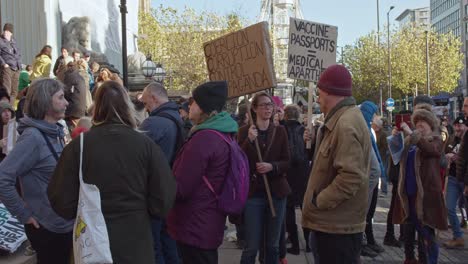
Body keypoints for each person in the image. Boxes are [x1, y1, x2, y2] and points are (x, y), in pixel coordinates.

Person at [48, 80, 176, 264]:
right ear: (127, 105)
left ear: (97, 107)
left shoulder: (79, 146)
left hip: (91, 242)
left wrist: (79, 211)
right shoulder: (145, 145)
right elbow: (164, 196)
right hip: (135, 241)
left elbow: (59, 198)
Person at [302, 64, 371, 264]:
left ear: (330, 92)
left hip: (335, 229)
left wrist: (319, 201)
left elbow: (351, 176)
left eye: (320, 92)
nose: (318, 98)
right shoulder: (343, 119)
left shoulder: (346, 123)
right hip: (334, 226)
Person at [0, 78, 73, 263]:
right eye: (61, 97)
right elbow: (3, 177)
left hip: (61, 224)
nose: (66, 103)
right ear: (46, 102)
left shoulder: (54, 131)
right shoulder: (33, 138)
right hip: (48, 228)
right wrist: (24, 214)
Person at [167, 81, 239, 264]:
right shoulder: (222, 133)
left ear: (203, 107)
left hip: (195, 224)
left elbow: (181, 187)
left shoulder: (204, 139)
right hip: (207, 220)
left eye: (193, 102)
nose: (189, 106)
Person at [239, 91, 290, 264]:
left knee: (272, 245)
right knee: (251, 246)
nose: (268, 108)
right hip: (254, 194)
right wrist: (249, 141)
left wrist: (272, 167)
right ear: (254, 108)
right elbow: (239, 161)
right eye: (263, 105)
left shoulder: (280, 131)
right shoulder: (245, 132)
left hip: (276, 193)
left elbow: (287, 162)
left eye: (270, 105)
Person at [393, 103, 448, 264]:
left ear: (430, 125)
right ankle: (410, 259)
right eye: (416, 124)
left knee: (426, 233)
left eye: (422, 124)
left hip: (426, 196)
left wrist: (412, 134)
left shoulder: (436, 140)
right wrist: (397, 137)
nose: (419, 127)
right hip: (409, 193)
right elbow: (397, 158)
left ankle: (428, 260)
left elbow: (431, 150)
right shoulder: (411, 141)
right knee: (409, 231)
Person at [139, 82, 182, 264]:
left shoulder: (154, 123)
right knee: (168, 241)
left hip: (154, 192)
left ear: (154, 98)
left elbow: (136, 155)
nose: (146, 106)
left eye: (146, 101)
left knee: (155, 244)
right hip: (169, 190)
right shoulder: (176, 118)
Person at [283, 104, 310, 255]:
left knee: (289, 211)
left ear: (285, 115)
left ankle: (294, 244)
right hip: (303, 174)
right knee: (305, 210)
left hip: (287, 173)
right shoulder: (305, 131)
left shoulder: (281, 130)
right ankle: (309, 243)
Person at [359, 101, 385, 257]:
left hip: (373, 180)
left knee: (370, 213)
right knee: (365, 212)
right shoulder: (365, 131)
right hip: (368, 178)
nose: (378, 117)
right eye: (376, 114)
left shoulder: (370, 130)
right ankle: (363, 242)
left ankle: (369, 240)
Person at [443, 116, 467, 248]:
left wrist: (456, 157)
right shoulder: (451, 138)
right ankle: (458, 236)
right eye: (456, 125)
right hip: (453, 177)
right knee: (450, 207)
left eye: (461, 125)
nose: (458, 128)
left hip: (465, 179)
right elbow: (444, 153)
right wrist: (447, 157)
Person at [0, 23, 21, 105]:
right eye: (5, 30)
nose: (6, 32)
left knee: (14, 91)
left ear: (11, 33)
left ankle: (10, 108)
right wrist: (4, 64)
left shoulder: (13, 41)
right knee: (6, 90)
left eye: (8, 31)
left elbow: (18, 53)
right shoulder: (1, 41)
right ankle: (5, 108)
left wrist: (19, 65)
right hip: (7, 68)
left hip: (16, 68)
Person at [63, 62, 87, 129]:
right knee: (80, 128)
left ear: (67, 67)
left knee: (73, 129)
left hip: (73, 108)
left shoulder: (69, 75)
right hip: (81, 107)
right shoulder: (79, 76)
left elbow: (66, 92)